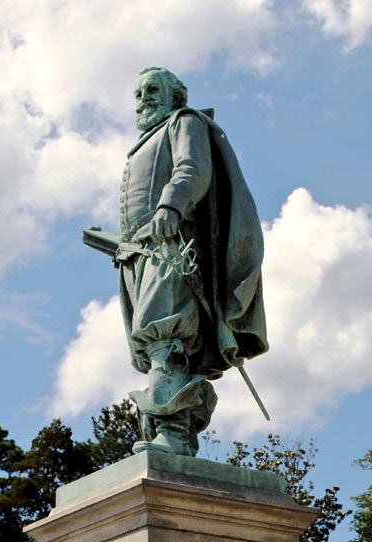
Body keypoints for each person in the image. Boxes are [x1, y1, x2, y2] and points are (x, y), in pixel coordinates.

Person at [115, 66, 269, 456]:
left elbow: (192, 168)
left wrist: (171, 205)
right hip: (137, 255)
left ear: (176, 97)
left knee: (165, 335)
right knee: (153, 345)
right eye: (138, 93)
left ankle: (174, 434)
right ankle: (172, 434)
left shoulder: (184, 122)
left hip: (172, 246)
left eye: (152, 90)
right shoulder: (144, 142)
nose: (144, 99)